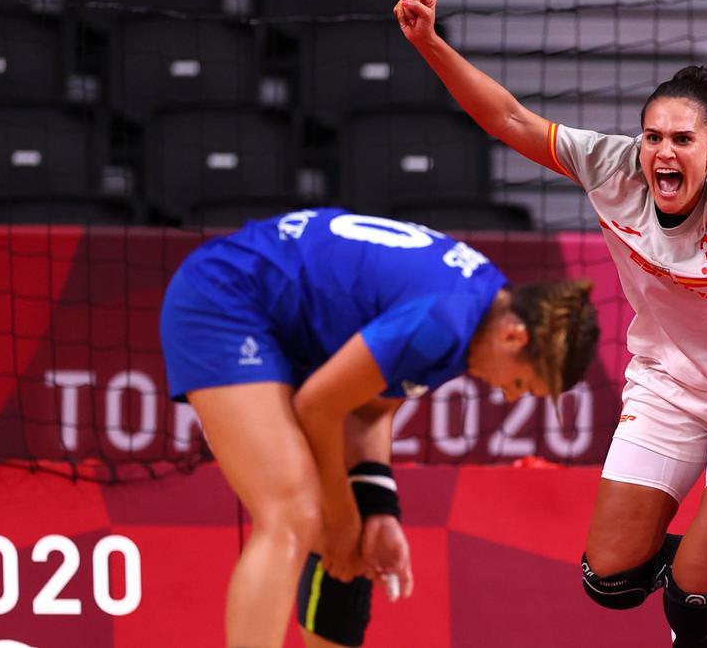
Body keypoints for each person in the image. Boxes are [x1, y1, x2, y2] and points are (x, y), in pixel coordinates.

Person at [395, 0, 707, 647]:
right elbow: (508, 118)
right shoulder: (610, 167)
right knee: (610, 581)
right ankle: (698, 566)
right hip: (669, 382)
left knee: (689, 603)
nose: (663, 151)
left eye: (683, 139)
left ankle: (700, 587)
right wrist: (429, 42)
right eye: (653, 136)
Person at [159, 207, 600, 648]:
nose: (508, 396)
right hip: (226, 299)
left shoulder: (482, 306)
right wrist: (345, 518)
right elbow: (316, 407)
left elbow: (367, 409)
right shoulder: (443, 322)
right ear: (515, 337)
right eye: (522, 383)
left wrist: (378, 508)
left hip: (283, 320)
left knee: (346, 523)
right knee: (293, 515)